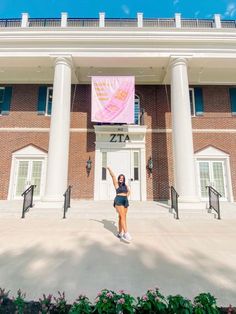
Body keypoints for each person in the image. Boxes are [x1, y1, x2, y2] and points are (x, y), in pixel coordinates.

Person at [107, 167, 132, 243]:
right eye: (120, 178)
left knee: (122, 217)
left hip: (125, 201)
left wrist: (126, 196)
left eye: (122, 178)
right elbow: (113, 176)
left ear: (124, 179)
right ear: (118, 179)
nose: (121, 179)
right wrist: (109, 169)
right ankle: (126, 233)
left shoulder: (126, 185)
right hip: (118, 200)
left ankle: (120, 233)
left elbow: (129, 192)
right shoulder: (116, 184)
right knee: (122, 216)